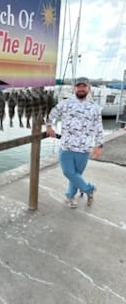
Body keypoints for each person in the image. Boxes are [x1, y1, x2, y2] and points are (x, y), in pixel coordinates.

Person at [46, 77, 103, 209]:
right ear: (74, 88)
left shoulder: (95, 108)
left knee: (76, 175)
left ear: (89, 89)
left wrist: (99, 145)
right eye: (79, 86)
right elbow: (52, 113)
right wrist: (49, 126)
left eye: (84, 86)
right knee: (68, 172)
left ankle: (70, 196)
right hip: (66, 145)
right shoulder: (66, 103)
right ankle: (90, 188)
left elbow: (99, 128)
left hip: (84, 148)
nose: (81, 88)